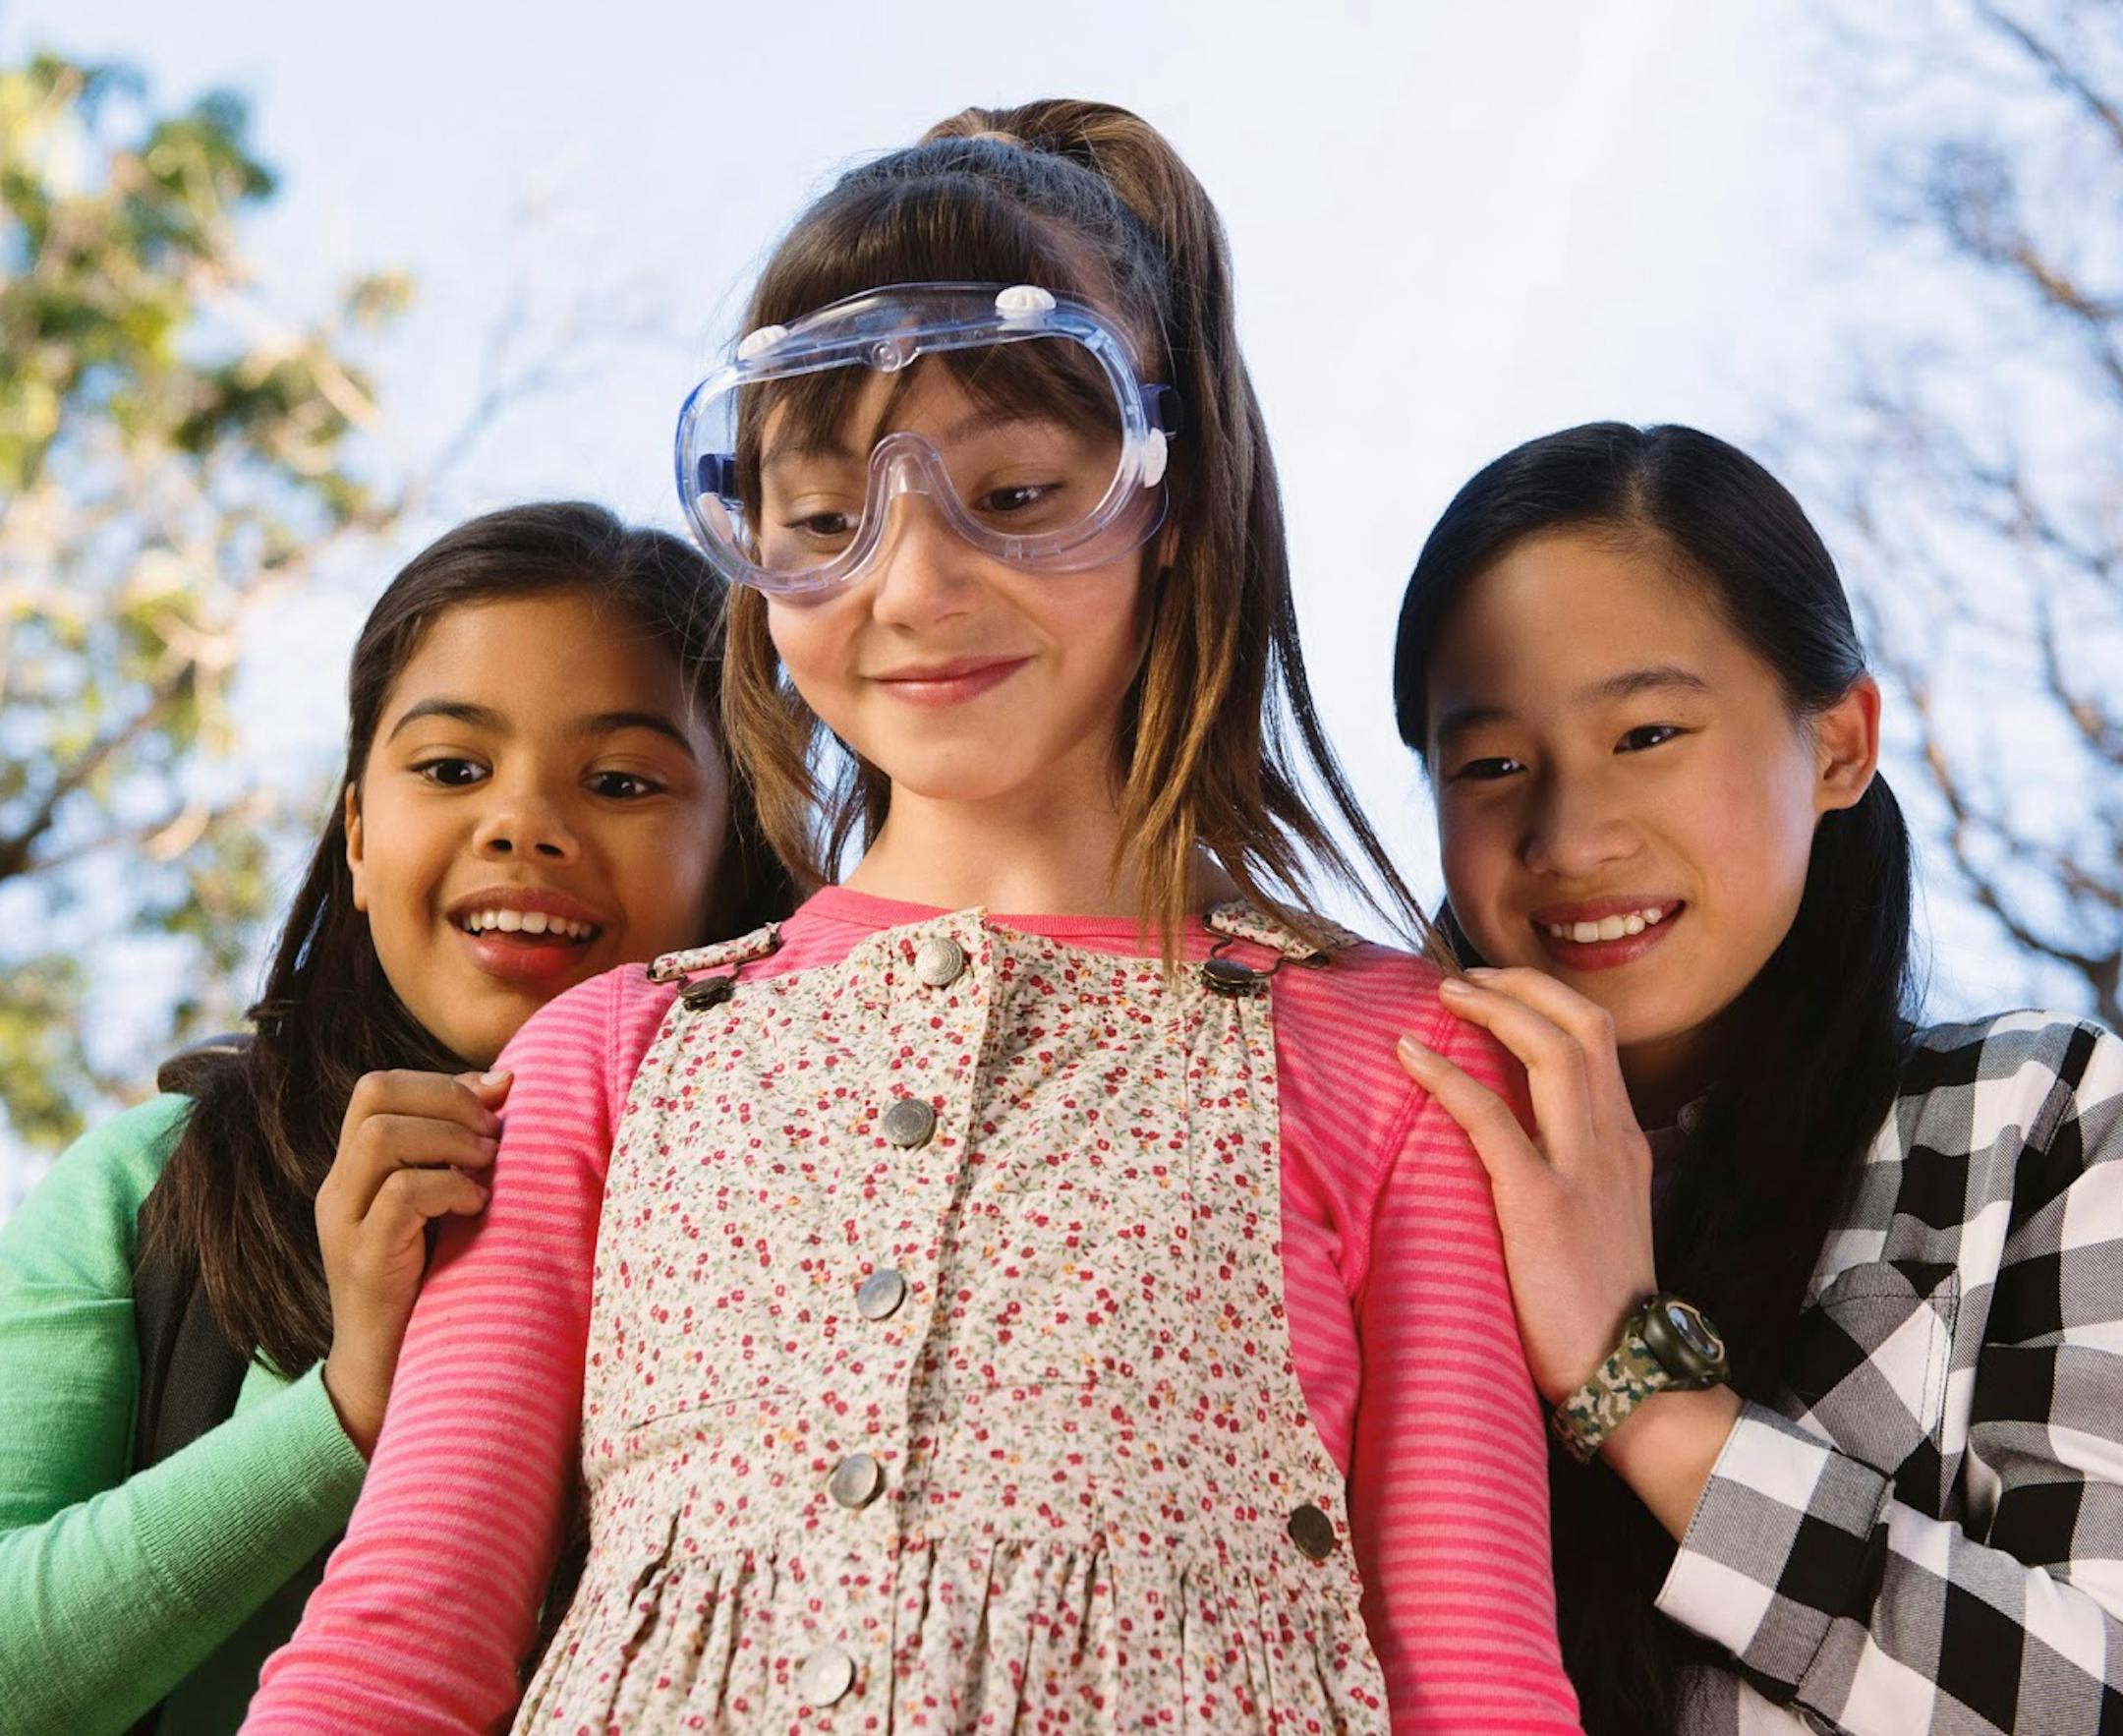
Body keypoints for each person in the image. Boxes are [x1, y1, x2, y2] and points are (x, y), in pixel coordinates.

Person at [246, 102, 1580, 1733]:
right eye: (822, 520)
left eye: (1017, 495)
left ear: (1177, 498)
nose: (914, 581)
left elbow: (1477, 1673)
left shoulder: (1399, 1059)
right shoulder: (607, 1057)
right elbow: (400, 1637)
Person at [0, 501, 790, 1735]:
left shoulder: (816, 1193)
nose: (522, 823)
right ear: (360, 834)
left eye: (623, 780)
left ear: (736, 850)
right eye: (452, 769)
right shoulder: (152, 1187)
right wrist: (345, 1406)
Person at [1388, 421, 2123, 1733]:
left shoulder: (2039, 1119)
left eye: (1648, 731)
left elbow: (2094, 1688)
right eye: (1490, 763)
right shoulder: (1374, 1163)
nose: (1570, 833)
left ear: (1839, 743)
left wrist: (1637, 1387)